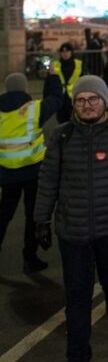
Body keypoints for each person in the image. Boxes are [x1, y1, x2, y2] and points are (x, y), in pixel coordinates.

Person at [34, 75, 108, 362]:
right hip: (73, 233)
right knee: (77, 298)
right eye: (81, 100)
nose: (87, 105)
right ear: (74, 105)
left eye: (93, 99)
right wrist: (41, 220)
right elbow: (48, 180)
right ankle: (77, 355)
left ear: (105, 101)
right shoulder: (61, 135)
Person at [0, 72, 64, 273]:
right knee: (32, 216)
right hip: (33, 172)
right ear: (25, 87)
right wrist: (52, 77)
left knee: (3, 214)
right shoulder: (34, 109)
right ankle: (30, 257)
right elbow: (56, 100)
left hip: (6, 173)